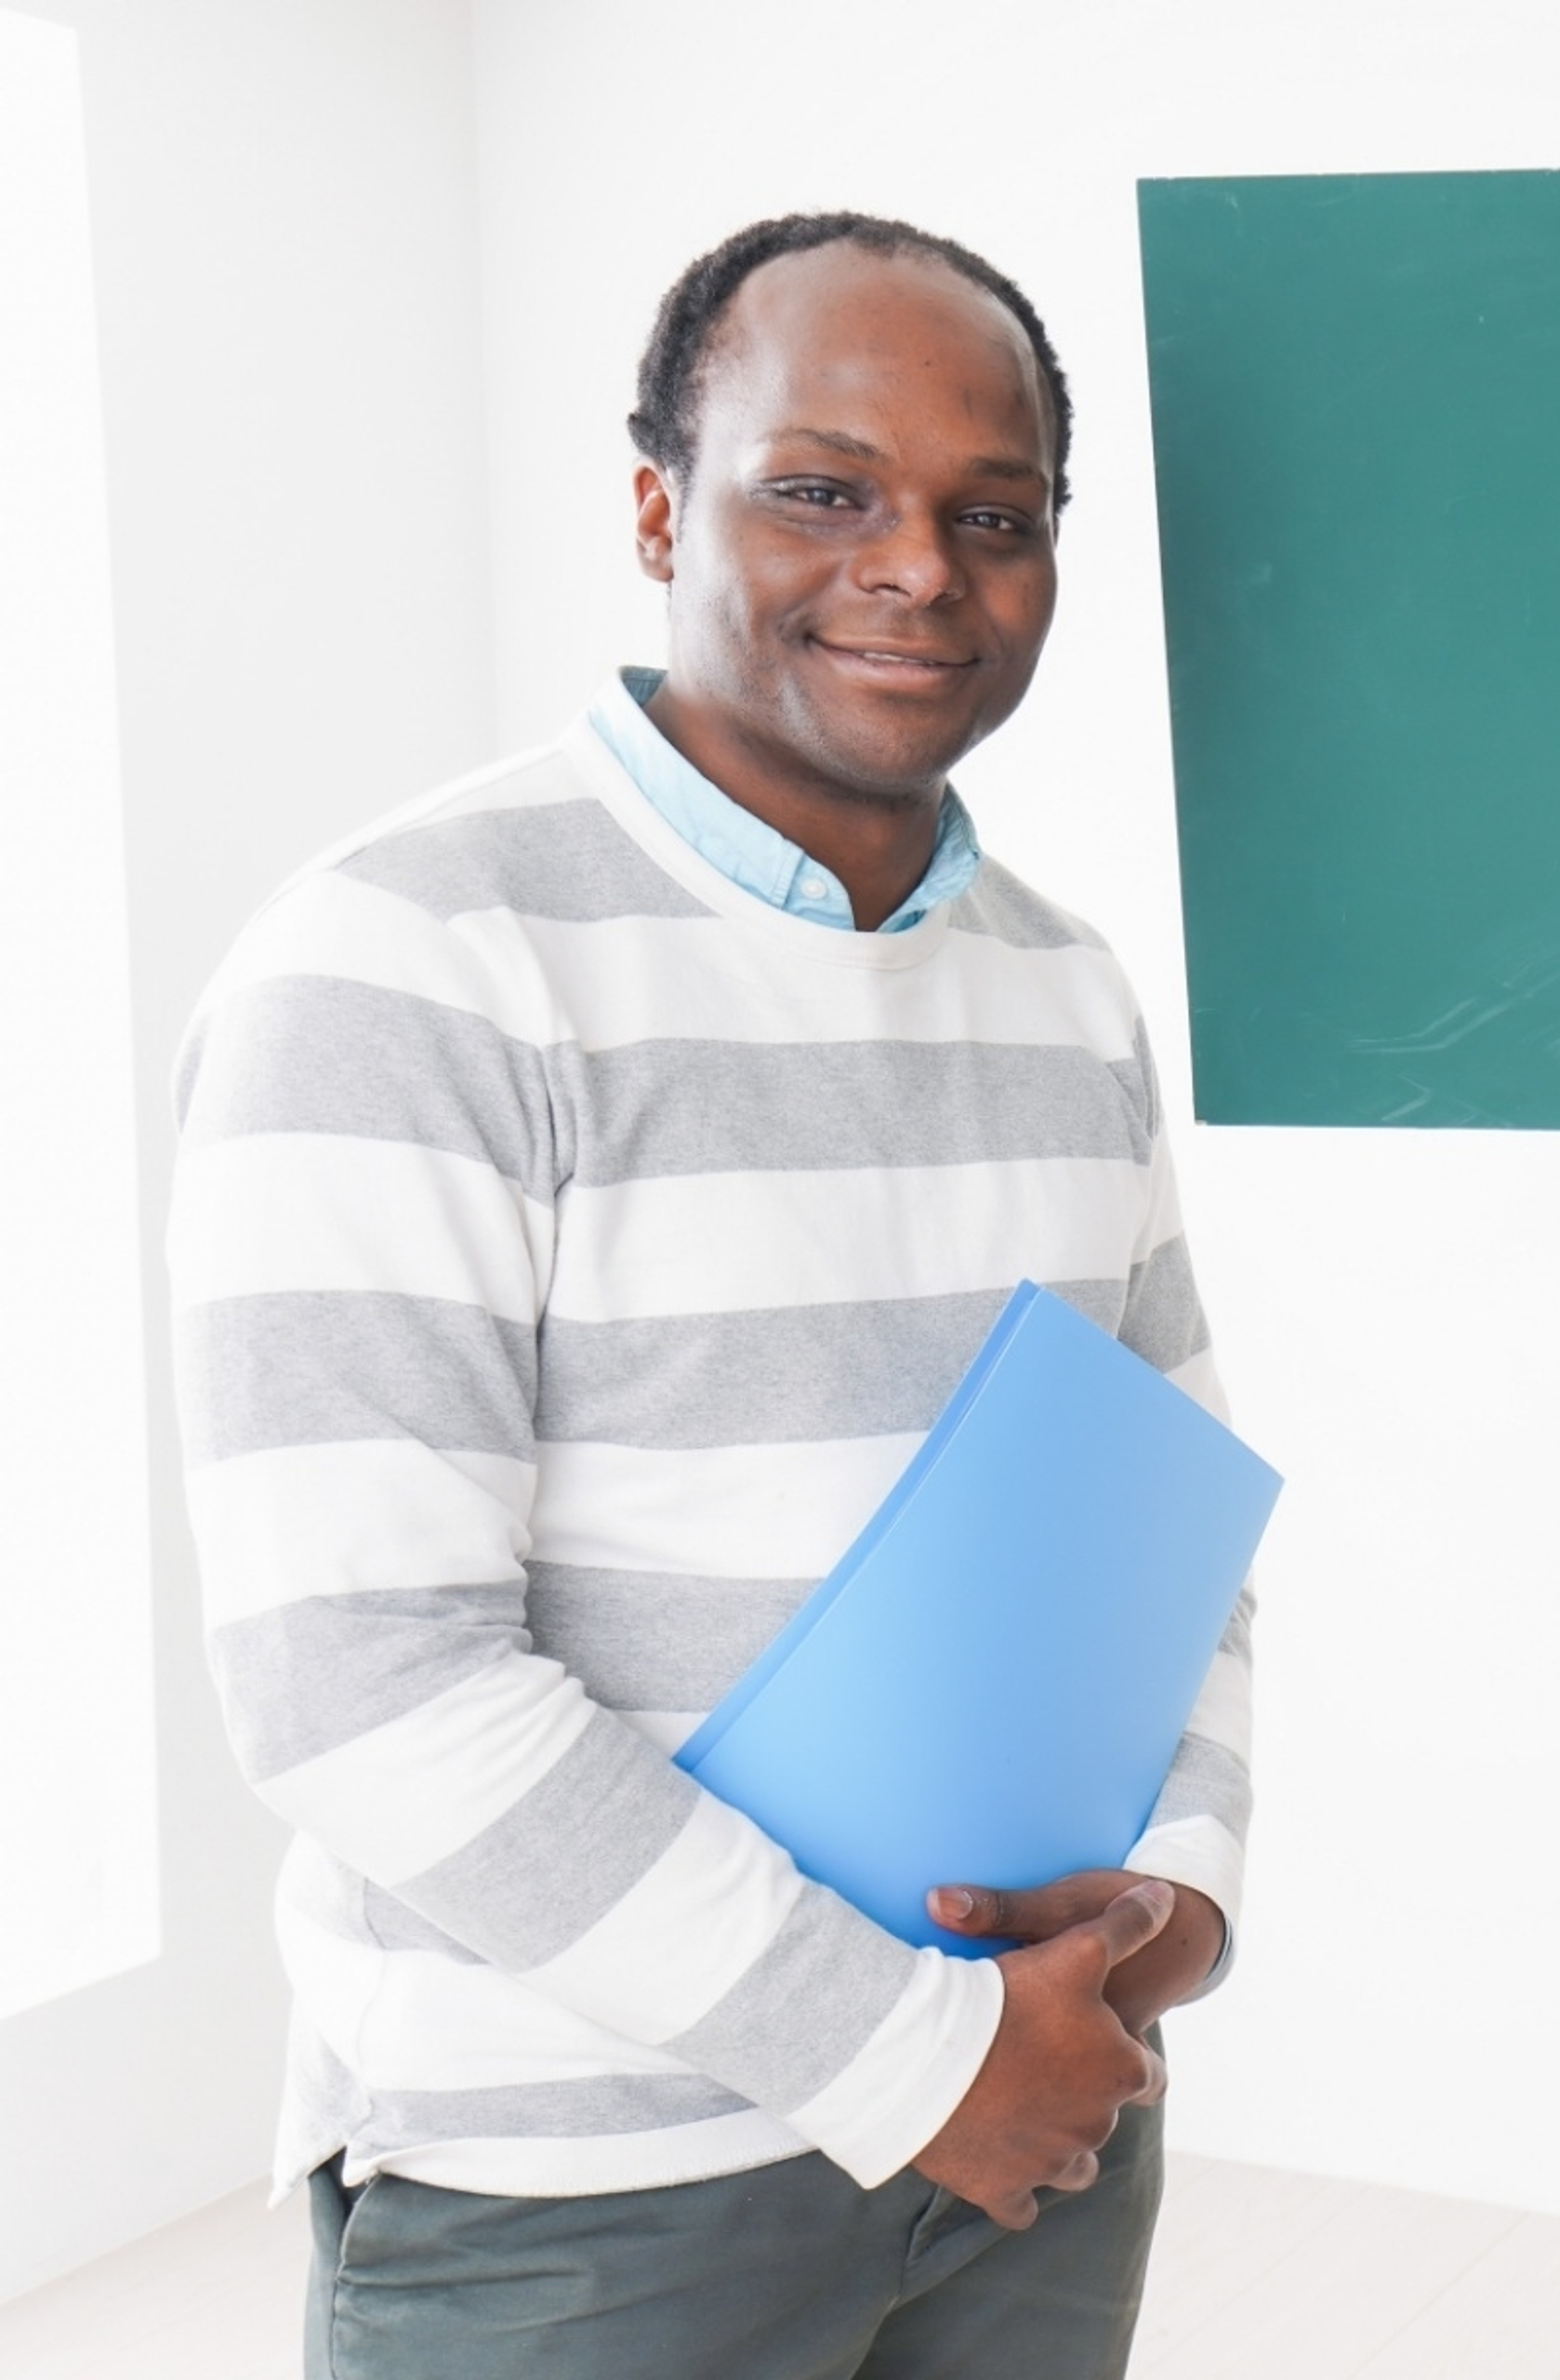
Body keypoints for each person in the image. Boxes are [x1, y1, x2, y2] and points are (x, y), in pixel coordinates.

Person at [172, 213, 1249, 2377]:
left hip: (1041, 2126)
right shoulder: (405, 959)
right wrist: (914, 2055)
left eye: (994, 514)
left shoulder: (1067, 982)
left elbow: (1164, 1505)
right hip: (582, 2198)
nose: (921, 566)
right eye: (824, 487)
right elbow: (358, 1677)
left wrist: (1174, 1901)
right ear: (663, 504)